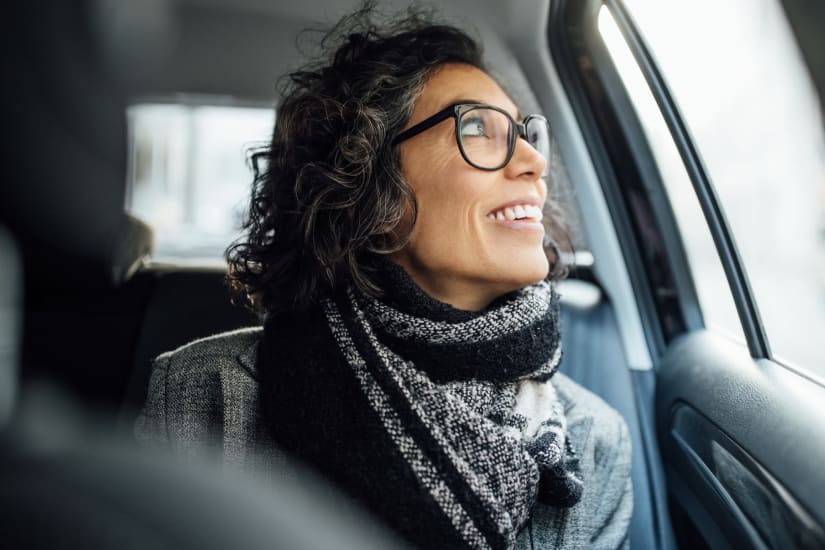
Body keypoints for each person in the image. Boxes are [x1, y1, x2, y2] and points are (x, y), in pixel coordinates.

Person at [136, 6, 632, 549]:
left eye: (526, 133)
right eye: (477, 129)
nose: (535, 161)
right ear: (372, 193)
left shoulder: (594, 438)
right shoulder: (207, 393)